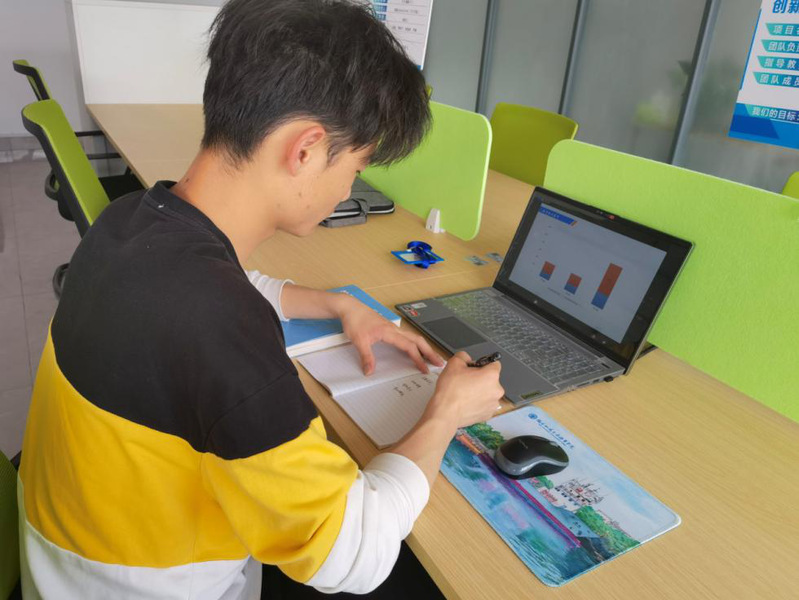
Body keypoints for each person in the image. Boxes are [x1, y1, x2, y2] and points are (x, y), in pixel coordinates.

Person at [17, 0, 504, 598]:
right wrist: (446, 411)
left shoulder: (129, 222)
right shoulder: (221, 327)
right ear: (306, 150)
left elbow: (226, 285)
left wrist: (338, 305)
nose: (349, 189)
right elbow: (351, 555)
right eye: (357, 167)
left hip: (74, 553)